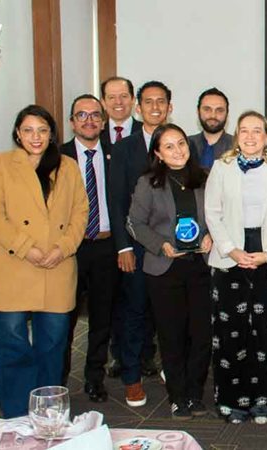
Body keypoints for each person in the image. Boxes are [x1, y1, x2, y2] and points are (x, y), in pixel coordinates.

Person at [0, 104, 88, 418]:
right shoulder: (1, 163)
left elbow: (80, 212)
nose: (35, 137)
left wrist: (63, 248)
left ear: (52, 134)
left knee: (53, 344)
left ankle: (48, 411)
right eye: (28, 130)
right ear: (18, 133)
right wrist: (25, 247)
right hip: (14, 265)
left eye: (42, 130)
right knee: (12, 342)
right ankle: (16, 413)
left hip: (57, 265)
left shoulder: (67, 166)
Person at [205, 111, 267, 424]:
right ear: (237, 135)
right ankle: (232, 402)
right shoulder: (221, 167)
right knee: (231, 335)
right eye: (244, 130)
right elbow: (212, 213)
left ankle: (265, 402)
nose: (250, 136)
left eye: (257, 131)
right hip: (229, 256)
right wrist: (231, 250)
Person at [127, 123, 213, 420]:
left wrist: (211, 235)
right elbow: (134, 223)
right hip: (165, 269)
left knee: (201, 335)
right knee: (172, 335)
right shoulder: (148, 183)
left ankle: (195, 393)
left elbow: (220, 215)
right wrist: (160, 245)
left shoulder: (205, 178)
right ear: (158, 154)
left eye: (181, 143)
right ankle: (178, 397)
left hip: (200, 266)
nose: (178, 151)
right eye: (169, 146)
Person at [108, 80, 174, 406]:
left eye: (161, 102)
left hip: (172, 248)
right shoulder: (124, 148)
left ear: (170, 107)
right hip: (135, 245)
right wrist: (122, 246)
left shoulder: (178, 143)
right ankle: (132, 378)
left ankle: (171, 369)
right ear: (138, 107)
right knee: (134, 312)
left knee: (170, 314)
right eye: (149, 102)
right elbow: (116, 200)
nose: (155, 107)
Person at [59, 95, 120, 402]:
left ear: (103, 121)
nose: (89, 120)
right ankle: (58, 380)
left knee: (101, 318)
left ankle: (94, 378)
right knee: (64, 318)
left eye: (95, 115)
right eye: (81, 115)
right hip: (68, 250)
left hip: (106, 247)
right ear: (72, 122)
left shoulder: (115, 154)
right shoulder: (58, 157)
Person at [99, 76, 142, 380]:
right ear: (104, 101)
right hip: (102, 235)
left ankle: (142, 355)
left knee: (138, 299)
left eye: (124, 96)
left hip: (139, 235)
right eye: (111, 97)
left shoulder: (147, 134)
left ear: (132, 100)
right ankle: (116, 356)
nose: (118, 102)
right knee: (111, 301)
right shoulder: (92, 134)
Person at [189, 87, 233, 171]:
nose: (213, 115)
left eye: (219, 110)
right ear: (198, 111)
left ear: (227, 114)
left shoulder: (238, 147)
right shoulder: (185, 145)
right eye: (207, 109)